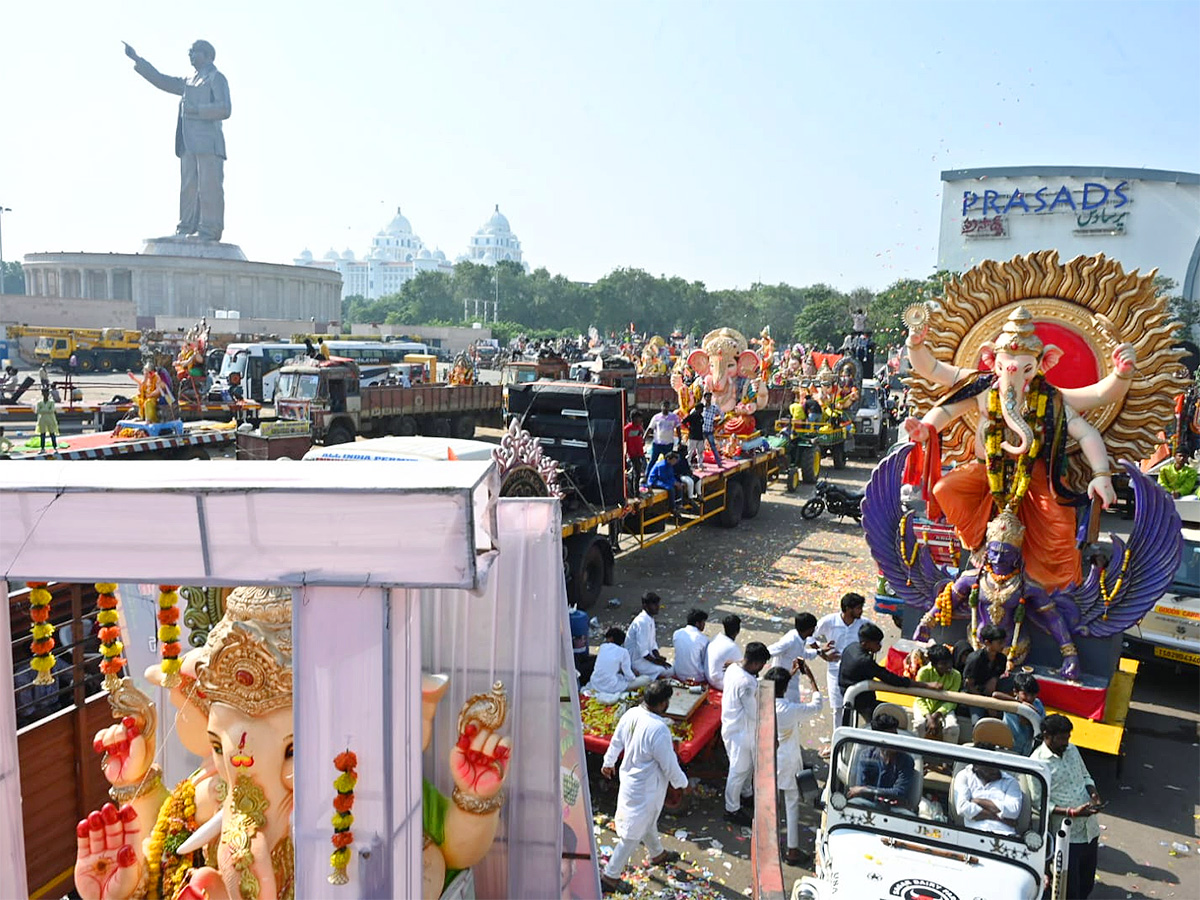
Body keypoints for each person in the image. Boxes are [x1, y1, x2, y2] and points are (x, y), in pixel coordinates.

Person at [125, 40, 231, 242]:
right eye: (189, 52)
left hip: (209, 144)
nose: (190, 55)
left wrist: (198, 111)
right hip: (188, 143)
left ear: (208, 55)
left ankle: (209, 229)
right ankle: (186, 227)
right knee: (188, 188)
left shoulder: (216, 78)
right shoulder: (189, 80)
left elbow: (225, 108)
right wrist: (138, 60)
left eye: (194, 52)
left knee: (209, 187)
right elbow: (162, 80)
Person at [600, 681, 687, 893]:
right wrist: (682, 784)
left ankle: (657, 854)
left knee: (646, 821)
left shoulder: (631, 714)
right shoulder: (659, 729)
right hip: (646, 787)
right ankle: (610, 876)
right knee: (631, 834)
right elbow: (669, 764)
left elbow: (616, 741)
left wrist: (608, 762)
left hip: (632, 780)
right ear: (663, 703)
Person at [1032, 714, 1103, 899]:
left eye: (1068, 737)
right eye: (1062, 738)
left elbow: (1086, 776)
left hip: (1089, 830)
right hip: (1066, 837)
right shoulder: (1038, 763)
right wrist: (1071, 812)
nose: (1066, 742)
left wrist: (1094, 794)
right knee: (1069, 887)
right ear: (1047, 735)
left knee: (1086, 883)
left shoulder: (1072, 750)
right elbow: (1039, 802)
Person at [764, 661, 823, 865]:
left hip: (766, 759)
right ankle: (792, 850)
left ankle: (768, 846)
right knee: (791, 804)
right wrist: (812, 679)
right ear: (785, 688)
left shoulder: (761, 703)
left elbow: (774, 687)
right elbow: (817, 705)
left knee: (769, 804)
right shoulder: (789, 709)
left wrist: (788, 674)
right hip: (787, 760)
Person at [721, 641, 771, 826]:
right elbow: (754, 712)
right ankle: (731, 808)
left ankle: (746, 793)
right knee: (739, 769)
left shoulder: (734, 668)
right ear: (756, 663)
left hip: (734, 726)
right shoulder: (747, 683)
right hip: (740, 731)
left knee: (747, 766)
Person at [838, 623, 912, 724]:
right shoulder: (864, 660)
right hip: (861, 700)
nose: (880, 646)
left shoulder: (852, 647)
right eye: (877, 643)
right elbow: (889, 678)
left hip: (846, 692)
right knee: (889, 719)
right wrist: (920, 684)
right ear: (865, 644)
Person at [813, 593, 870, 719]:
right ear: (848, 609)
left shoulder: (865, 624)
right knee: (838, 709)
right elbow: (810, 636)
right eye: (858, 608)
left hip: (856, 672)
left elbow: (877, 642)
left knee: (853, 707)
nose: (861, 611)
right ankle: (839, 738)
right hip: (835, 671)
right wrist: (822, 653)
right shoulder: (830, 621)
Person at [846, 712, 916, 810]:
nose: (894, 741)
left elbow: (899, 792)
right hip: (868, 804)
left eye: (895, 736)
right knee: (851, 805)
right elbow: (861, 788)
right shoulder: (866, 756)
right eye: (888, 737)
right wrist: (865, 790)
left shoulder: (906, 761)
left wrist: (866, 790)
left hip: (895, 808)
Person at [952, 749, 1023, 835]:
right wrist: (997, 817)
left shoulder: (1011, 782)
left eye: (995, 765)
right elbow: (962, 808)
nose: (993, 770)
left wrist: (978, 801)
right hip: (974, 833)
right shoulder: (964, 776)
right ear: (976, 766)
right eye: (988, 767)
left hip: (1005, 834)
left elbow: (1013, 811)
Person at [767, 612, 834, 703]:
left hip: (792, 679)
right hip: (782, 682)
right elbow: (769, 651)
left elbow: (802, 654)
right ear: (809, 629)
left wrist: (820, 651)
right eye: (814, 628)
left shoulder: (801, 637)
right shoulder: (790, 641)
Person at [913, 644, 962, 743]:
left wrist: (936, 715)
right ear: (934, 664)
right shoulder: (924, 672)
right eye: (943, 664)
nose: (948, 666)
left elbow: (952, 701)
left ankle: (949, 757)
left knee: (952, 728)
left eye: (949, 662)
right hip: (924, 705)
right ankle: (916, 757)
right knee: (919, 725)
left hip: (945, 708)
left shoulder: (956, 675)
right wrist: (928, 717)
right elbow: (920, 698)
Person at [587, 628, 652, 698]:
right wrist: (634, 676)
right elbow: (629, 676)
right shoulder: (623, 652)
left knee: (618, 677)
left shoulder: (603, 647)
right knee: (646, 679)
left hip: (595, 683)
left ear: (611, 638)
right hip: (611, 687)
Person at [963, 625, 1008, 724]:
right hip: (974, 694)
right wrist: (987, 705)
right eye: (999, 643)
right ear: (987, 643)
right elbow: (969, 686)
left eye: (1003, 642)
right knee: (978, 722)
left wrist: (994, 679)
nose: (1003, 645)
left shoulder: (1002, 659)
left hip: (992, 692)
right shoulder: (975, 659)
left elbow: (998, 674)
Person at [993, 672, 1045, 756]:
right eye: (1025, 694)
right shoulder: (1009, 703)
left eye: (1032, 694)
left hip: (1027, 751)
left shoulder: (1038, 705)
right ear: (1015, 692)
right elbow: (995, 695)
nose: (1029, 698)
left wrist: (1030, 722)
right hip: (1008, 749)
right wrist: (1021, 704)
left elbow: (1042, 727)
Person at [624, 592, 673, 679]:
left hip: (646, 658)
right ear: (645, 605)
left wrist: (658, 657)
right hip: (636, 661)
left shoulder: (649, 618)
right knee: (669, 670)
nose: (657, 607)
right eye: (654, 604)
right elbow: (643, 652)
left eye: (657, 604)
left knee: (670, 666)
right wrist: (657, 662)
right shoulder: (642, 621)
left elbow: (652, 643)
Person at [706, 614, 743, 690]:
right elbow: (743, 667)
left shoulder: (716, 638)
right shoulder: (732, 647)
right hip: (719, 682)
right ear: (738, 631)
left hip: (708, 677)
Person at [671, 609, 709, 683]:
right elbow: (705, 661)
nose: (704, 625)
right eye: (703, 622)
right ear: (697, 623)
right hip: (697, 677)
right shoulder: (703, 639)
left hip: (679, 674)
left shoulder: (677, 633)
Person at [647, 400, 682, 473]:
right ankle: (647, 475)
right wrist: (643, 439)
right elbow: (650, 428)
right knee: (653, 460)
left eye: (667, 406)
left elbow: (678, 429)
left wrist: (680, 440)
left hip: (668, 444)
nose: (666, 408)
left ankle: (667, 476)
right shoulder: (656, 417)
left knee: (668, 461)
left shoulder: (674, 417)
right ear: (661, 407)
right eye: (664, 406)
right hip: (657, 443)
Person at [624, 411, 647, 489]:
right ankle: (636, 493)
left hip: (640, 453)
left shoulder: (640, 428)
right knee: (637, 473)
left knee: (641, 471)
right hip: (632, 454)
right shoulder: (627, 429)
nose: (640, 421)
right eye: (638, 419)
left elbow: (641, 439)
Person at [700, 391, 723, 466]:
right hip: (702, 431)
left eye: (709, 397)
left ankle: (719, 463)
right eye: (707, 397)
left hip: (710, 430)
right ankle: (700, 463)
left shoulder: (714, 408)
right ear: (705, 398)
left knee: (713, 447)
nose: (708, 399)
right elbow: (693, 414)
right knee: (700, 448)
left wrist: (718, 422)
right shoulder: (701, 407)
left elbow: (722, 415)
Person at [35, 388, 59, 453]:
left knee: (52, 434)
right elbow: (37, 411)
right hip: (42, 420)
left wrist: (43, 410)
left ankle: (55, 447)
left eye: (47, 393)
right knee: (42, 434)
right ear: (42, 394)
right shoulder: (39, 402)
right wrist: (47, 410)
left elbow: (52, 410)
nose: (46, 394)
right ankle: (42, 448)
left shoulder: (51, 402)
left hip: (50, 419)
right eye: (44, 393)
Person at [683, 402, 706, 467]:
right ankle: (687, 464)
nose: (702, 410)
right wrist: (688, 428)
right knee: (690, 452)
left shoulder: (701, 417)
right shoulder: (692, 416)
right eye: (701, 409)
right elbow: (684, 421)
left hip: (700, 437)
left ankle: (700, 464)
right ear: (698, 409)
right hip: (692, 437)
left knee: (700, 452)